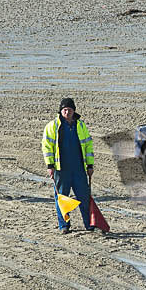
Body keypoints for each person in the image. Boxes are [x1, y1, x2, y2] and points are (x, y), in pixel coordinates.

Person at [42, 98, 95, 233]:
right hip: (61, 169)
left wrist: (90, 165)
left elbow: (88, 146)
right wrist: (50, 165)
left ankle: (89, 224)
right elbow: (47, 147)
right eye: (64, 110)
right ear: (60, 111)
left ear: (74, 111)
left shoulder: (81, 126)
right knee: (62, 198)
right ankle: (64, 225)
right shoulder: (52, 126)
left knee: (84, 197)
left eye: (69, 110)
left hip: (78, 169)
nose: (67, 112)